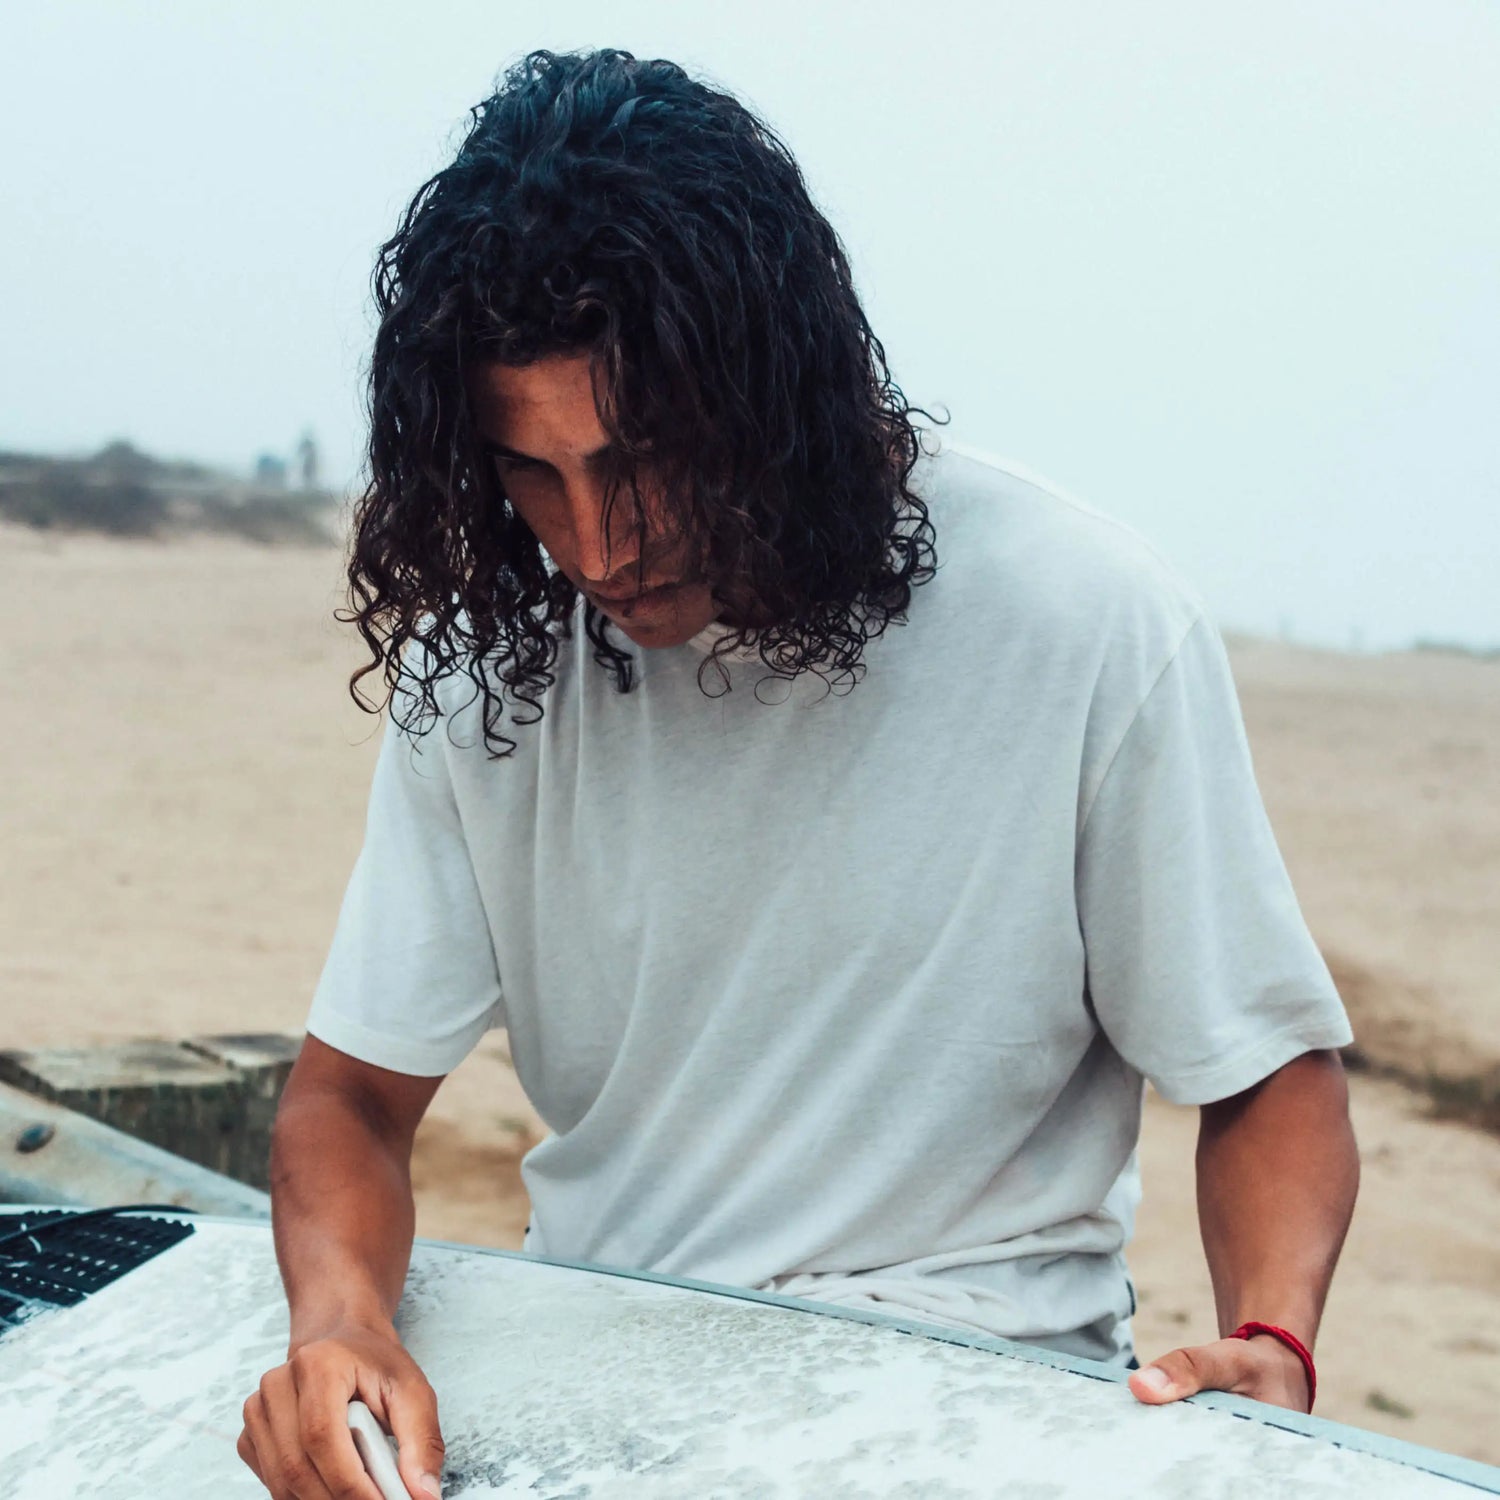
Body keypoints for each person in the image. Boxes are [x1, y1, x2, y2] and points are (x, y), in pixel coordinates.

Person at [237, 47, 1359, 1500]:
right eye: (533, 475)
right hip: (595, 1369)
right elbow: (350, 1105)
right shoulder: (496, 664)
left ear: (771, 392)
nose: (593, 545)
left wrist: (1272, 1340)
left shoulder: (1082, 619)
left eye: (640, 460)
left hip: (975, 1404)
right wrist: (338, 1323)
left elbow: (1266, 1068)